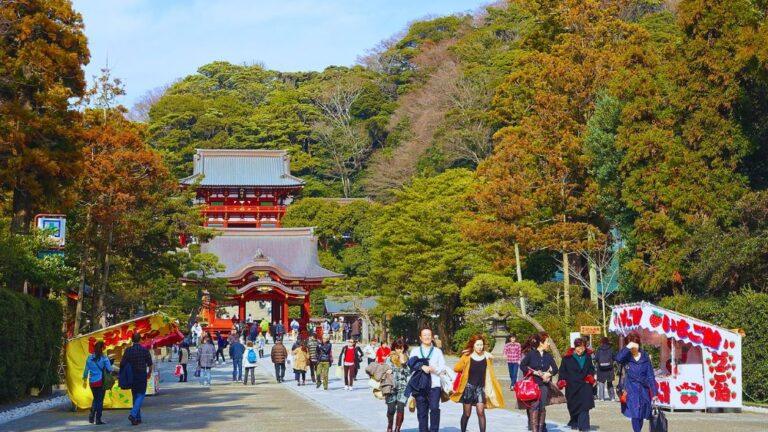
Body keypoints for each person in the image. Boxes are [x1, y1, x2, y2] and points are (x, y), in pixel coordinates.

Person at [451, 334, 504, 432]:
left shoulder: (486, 357)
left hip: (480, 388)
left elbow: (492, 357)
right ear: (473, 345)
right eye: (477, 345)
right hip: (468, 388)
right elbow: (456, 368)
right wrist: (464, 356)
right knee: (467, 414)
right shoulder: (467, 357)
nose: (480, 347)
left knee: (481, 412)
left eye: (481, 345)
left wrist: (486, 353)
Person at [616, 332, 658, 432]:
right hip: (630, 389)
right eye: (631, 345)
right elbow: (617, 358)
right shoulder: (626, 357)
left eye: (635, 344)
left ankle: (637, 430)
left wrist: (654, 393)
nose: (634, 348)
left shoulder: (645, 357)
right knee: (635, 414)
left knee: (641, 414)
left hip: (643, 389)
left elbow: (650, 375)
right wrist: (628, 347)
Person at [408, 328, 447, 432]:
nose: (427, 337)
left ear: (432, 336)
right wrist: (421, 367)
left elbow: (443, 367)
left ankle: (434, 430)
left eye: (429, 335)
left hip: (434, 385)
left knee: (434, 408)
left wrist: (434, 369)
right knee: (422, 411)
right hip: (419, 385)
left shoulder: (437, 351)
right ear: (420, 337)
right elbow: (411, 365)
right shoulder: (415, 351)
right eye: (424, 335)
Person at [520, 332, 558, 432]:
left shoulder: (548, 356)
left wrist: (548, 374)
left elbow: (555, 369)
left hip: (544, 385)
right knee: (534, 407)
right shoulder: (531, 354)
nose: (548, 344)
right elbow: (522, 366)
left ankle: (541, 428)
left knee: (542, 407)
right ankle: (534, 429)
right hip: (532, 384)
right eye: (547, 342)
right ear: (541, 343)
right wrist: (535, 372)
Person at [559, 338, 596, 431]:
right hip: (572, 386)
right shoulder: (567, 358)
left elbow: (591, 368)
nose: (581, 350)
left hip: (585, 385)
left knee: (585, 406)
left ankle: (584, 427)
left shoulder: (587, 357)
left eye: (583, 348)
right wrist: (561, 381)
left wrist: (590, 376)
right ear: (575, 347)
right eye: (579, 348)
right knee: (574, 405)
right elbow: (562, 371)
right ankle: (574, 421)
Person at [119, 333, 153, 426]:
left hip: (131, 376)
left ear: (132, 340)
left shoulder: (128, 350)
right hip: (142, 375)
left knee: (134, 395)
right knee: (141, 395)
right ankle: (133, 414)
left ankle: (137, 418)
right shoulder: (144, 350)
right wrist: (149, 373)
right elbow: (150, 364)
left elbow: (122, 364)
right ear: (140, 340)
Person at [82, 340, 112, 425]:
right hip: (100, 382)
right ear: (102, 349)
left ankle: (92, 414)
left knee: (96, 398)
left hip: (92, 382)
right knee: (100, 401)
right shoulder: (104, 358)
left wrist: (84, 379)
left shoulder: (89, 358)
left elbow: (86, 371)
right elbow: (110, 369)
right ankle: (98, 419)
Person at [383, 339, 410, 432]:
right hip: (391, 386)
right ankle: (390, 425)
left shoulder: (407, 358)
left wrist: (404, 363)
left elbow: (409, 372)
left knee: (401, 407)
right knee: (391, 409)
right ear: (394, 348)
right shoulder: (389, 358)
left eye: (401, 348)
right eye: (397, 348)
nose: (399, 350)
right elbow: (385, 368)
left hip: (403, 387)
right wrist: (388, 371)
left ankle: (397, 428)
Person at [595, 337, 615, 401]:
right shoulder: (611, 349)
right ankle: (612, 397)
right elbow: (614, 357)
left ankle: (601, 397)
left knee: (601, 382)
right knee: (610, 382)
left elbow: (596, 358)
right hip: (609, 368)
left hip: (601, 368)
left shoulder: (599, 349)